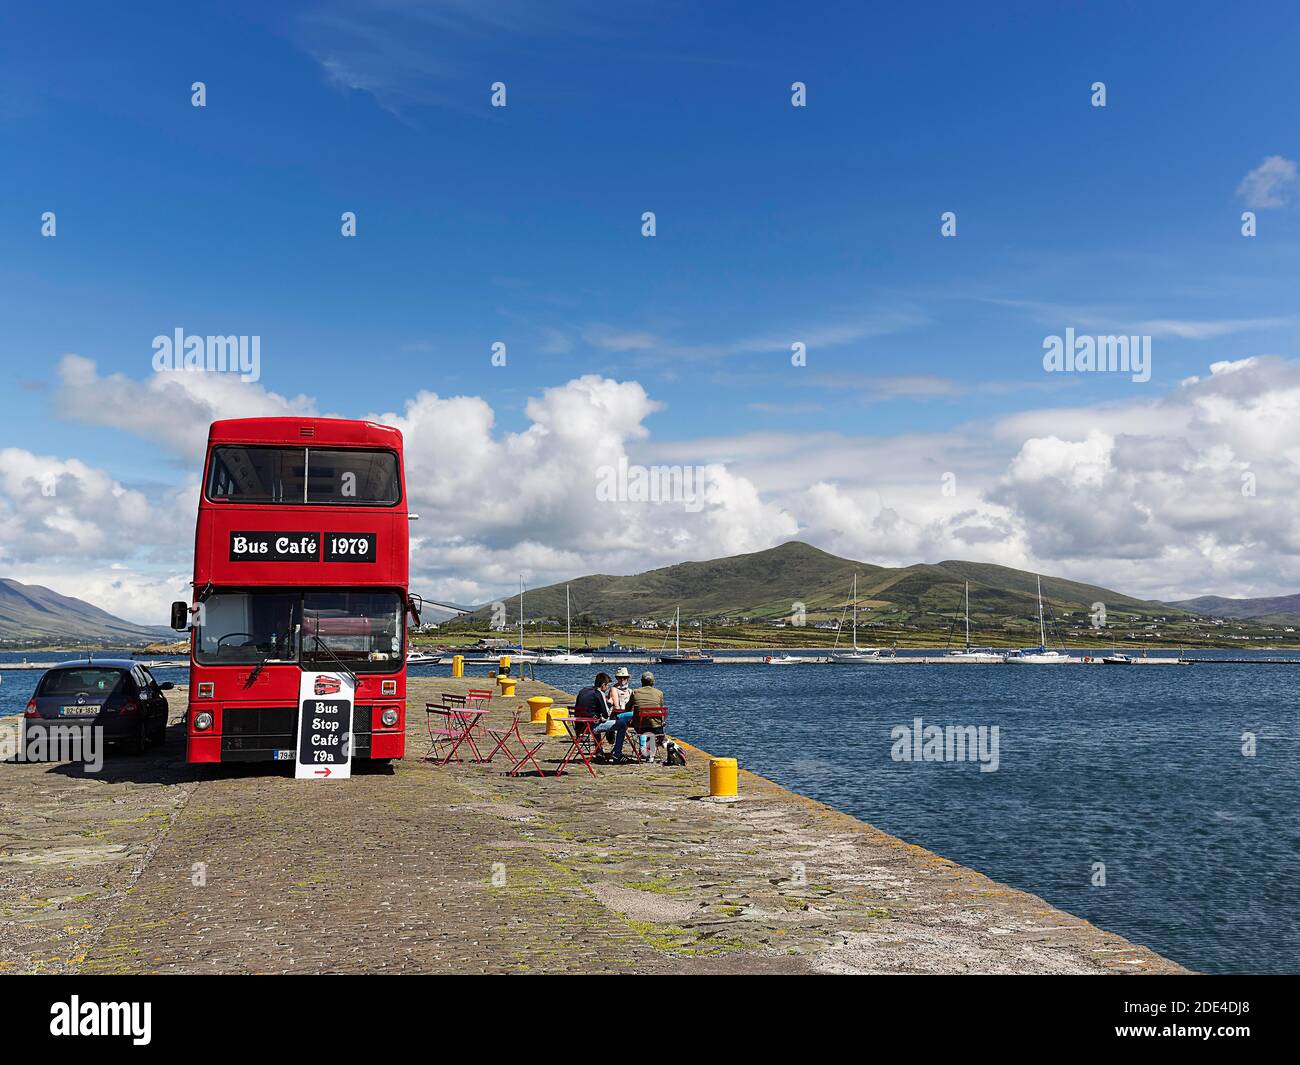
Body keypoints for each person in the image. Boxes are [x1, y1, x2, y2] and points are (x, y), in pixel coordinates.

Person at [626, 670, 668, 763]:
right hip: (657, 728)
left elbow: (627, 707)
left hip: (640, 728)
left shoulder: (635, 692)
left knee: (643, 722)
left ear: (641, 682)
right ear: (653, 682)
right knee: (652, 723)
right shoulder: (659, 693)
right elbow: (660, 708)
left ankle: (646, 753)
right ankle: (650, 754)